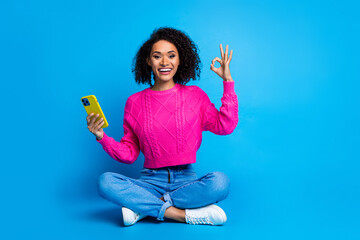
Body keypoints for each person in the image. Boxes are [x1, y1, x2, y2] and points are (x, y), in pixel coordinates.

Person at [86, 27, 238, 226]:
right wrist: (101, 137)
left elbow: (225, 126)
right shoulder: (134, 102)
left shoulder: (195, 96)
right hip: (149, 182)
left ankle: (143, 208)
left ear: (180, 59)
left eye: (171, 56)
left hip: (186, 181)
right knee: (105, 182)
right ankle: (181, 215)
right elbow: (129, 154)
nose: (165, 62)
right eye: (157, 56)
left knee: (220, 182)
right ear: (148, 61)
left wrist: (227, 81)